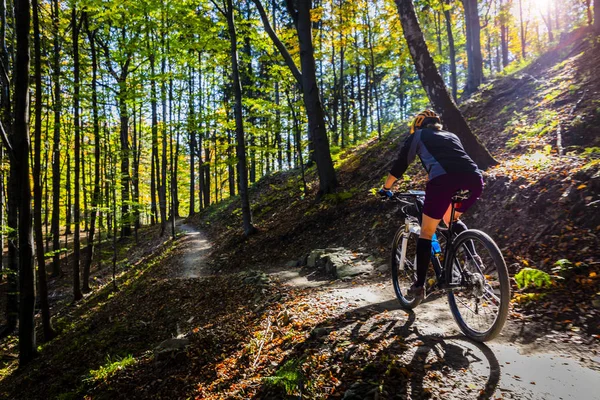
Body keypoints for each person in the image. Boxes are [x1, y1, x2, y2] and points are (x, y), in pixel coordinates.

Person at [378, 110, 483, 300]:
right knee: (450, 220)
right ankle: (473, 260)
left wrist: (386, 188)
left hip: (444, 181)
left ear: (419, 126)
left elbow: (401, 164)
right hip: (474, 179)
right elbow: (455, 160)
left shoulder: (418, 135)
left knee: (426, 232)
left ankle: (419, 286)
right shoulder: (451, 135)